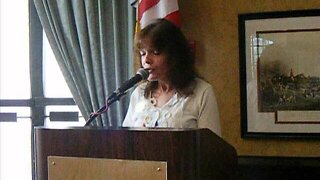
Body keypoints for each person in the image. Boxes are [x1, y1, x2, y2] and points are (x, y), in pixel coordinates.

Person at [122, 18, 221, 136]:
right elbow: (125, 141)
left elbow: (212, 148)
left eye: (155, 52)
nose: (146, 60)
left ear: (174, 55)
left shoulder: (202, 92)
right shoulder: (139, 93)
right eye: (143, 53)